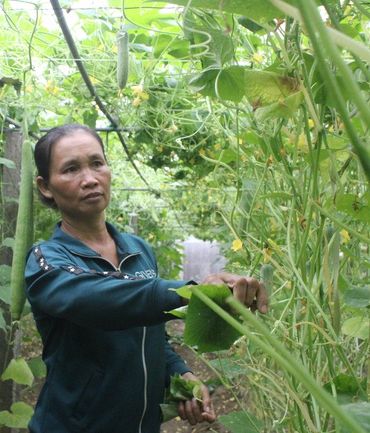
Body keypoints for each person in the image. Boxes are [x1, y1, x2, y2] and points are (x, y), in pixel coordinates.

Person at [24, 123, 269, 433]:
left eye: (97, 163)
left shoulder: (137, 249)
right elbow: (97, 300)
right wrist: (192, 291)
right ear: (46, 186)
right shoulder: (46, 260)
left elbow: (152, 334)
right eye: (71, 169)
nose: (90, 179)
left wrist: (179, 373)